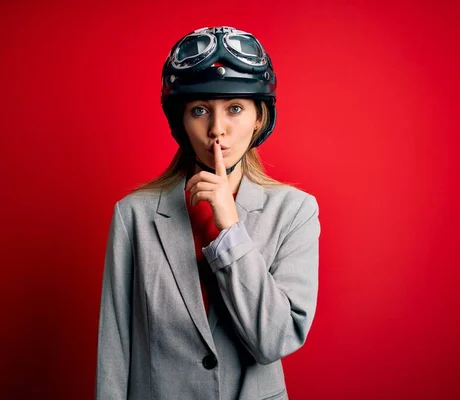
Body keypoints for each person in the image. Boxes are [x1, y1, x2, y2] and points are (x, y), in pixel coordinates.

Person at [96, 26, 320, 400]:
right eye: (200, 110)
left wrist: (230, 229)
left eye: (235, 109)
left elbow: (275, 339)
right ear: (180, 123)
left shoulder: (295, 211)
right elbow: (114, 349)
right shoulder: (132, 216)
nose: (217, 129)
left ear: (259, 118)